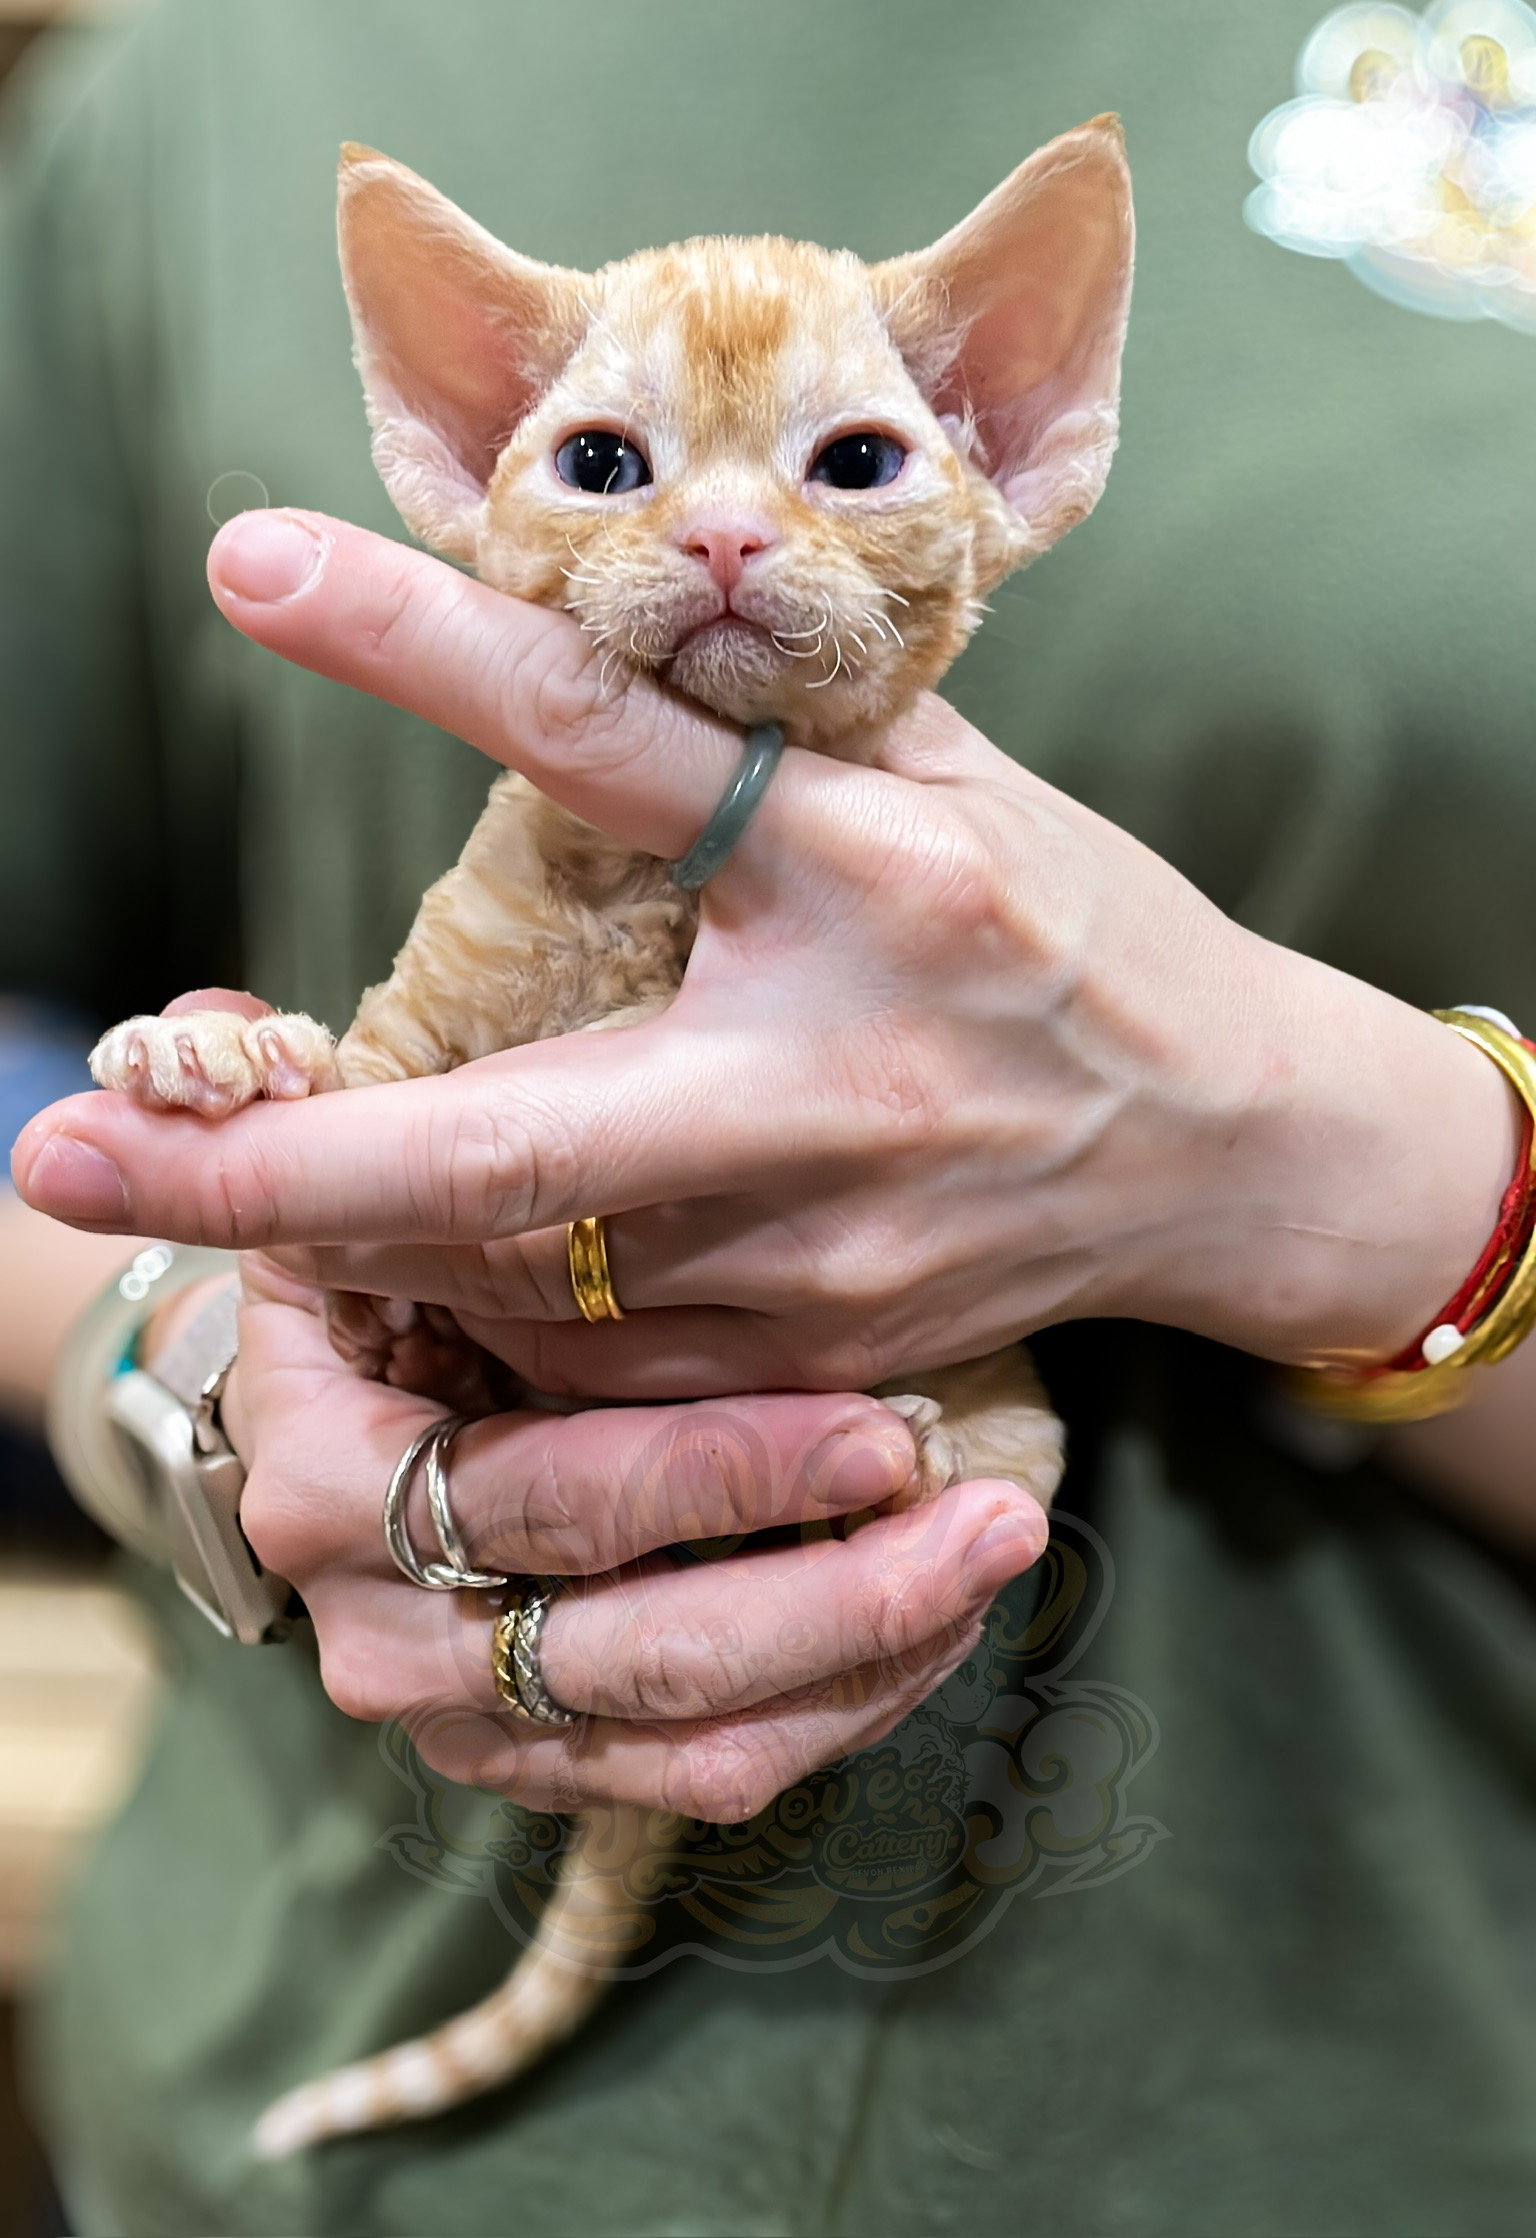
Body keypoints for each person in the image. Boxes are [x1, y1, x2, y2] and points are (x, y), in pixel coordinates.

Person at [7, 3, 1536, 2231]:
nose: (727, 536)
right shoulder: (200, 81)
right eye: (607, 462)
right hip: (295, 2094)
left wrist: (1364, 1180)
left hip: (1360, 2118)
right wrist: (188, 1334)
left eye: (851, 461)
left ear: (1023, 432)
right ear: (454, 442)